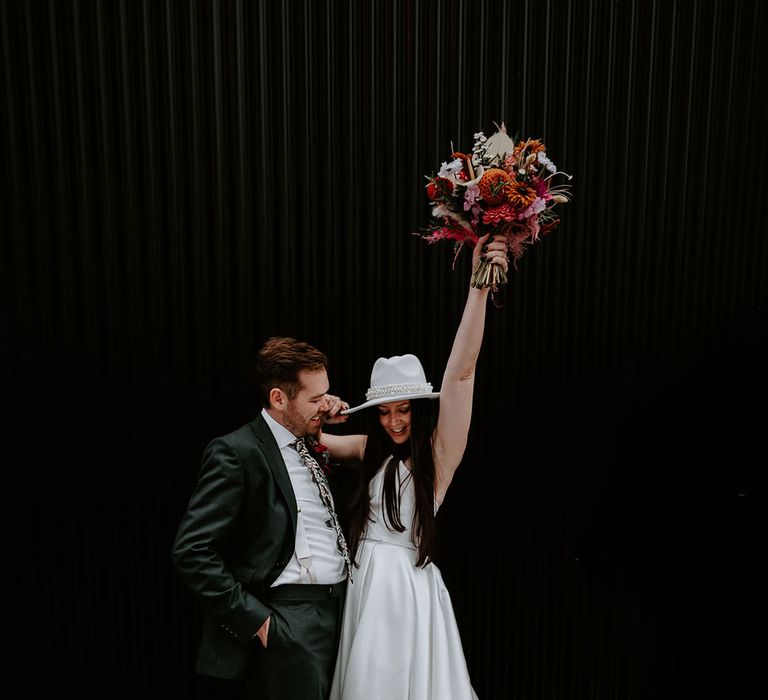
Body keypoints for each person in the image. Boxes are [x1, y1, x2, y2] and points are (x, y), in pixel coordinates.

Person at [322, 233, 509, 699]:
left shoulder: (439, 456)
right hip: (365, 582)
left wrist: (478, 287)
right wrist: (323, 412)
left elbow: (461, 372)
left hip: (406, 589)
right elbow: (313, 440)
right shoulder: (370, 450)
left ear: (418, 408)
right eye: (384, 412)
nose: (394, 421)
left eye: (402, 409)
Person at [172, 336, 352, 699]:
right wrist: (260, 622)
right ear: (278, 398)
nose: (326, 404)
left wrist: (322, 424)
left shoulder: (310, 441)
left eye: (326, 394)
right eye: (315, 399)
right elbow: (192, 551)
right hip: (289, 620)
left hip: (341, 613)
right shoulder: (237, 452)